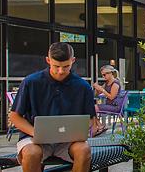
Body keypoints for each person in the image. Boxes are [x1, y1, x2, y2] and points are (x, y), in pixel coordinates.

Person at [9, 42, 98, 172]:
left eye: (66, 66)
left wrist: (81, 130)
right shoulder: (31, 82)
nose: (61, 71)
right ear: (48, 60)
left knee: (84, 150)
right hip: (34, 138)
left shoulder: (83, 87)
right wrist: (37, 133)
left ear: (73, 60)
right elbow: (14, 116)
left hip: (69, 141)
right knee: (31, 153)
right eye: (56, 66)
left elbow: (90, 119)